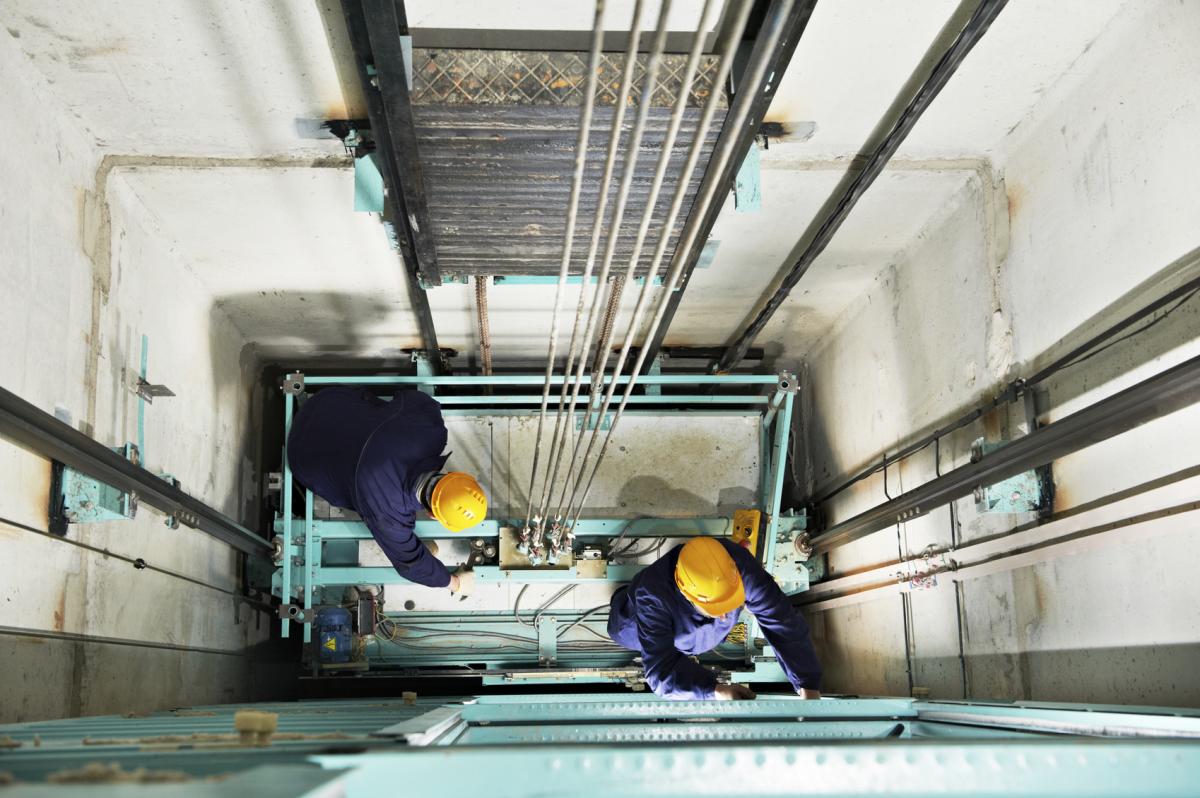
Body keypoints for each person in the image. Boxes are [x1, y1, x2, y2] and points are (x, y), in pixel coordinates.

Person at [286, 386, 486, 594]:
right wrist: (455, 583)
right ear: (431, 515)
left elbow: (409, 395)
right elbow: (412, 564)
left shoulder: (431, 431)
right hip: (303, 455)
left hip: (326, 403)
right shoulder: (390, 515)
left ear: (453, 476)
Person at [608, 536, 821, 700]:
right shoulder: (652, 595)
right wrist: (713, 690)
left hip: (693, 630)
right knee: (621, 627)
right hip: (637, 622)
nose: (726, 615)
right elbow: (660, 671)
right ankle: (622, 596)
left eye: (731, 602)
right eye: (718, 608)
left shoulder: (737, 565)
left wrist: (807, 683)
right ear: (686, 594)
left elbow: (782, 620)